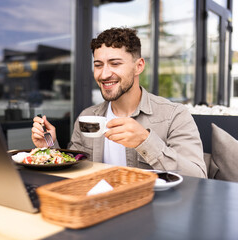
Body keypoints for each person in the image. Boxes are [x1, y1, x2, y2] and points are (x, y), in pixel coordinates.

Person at [31, 27, 207, 178]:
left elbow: (198, 176)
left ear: (139, 66)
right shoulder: (87, 117)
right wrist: (49, 147)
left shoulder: (174, 115)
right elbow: (76, 168)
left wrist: (145, 141)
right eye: (98, 65)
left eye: (115, 63)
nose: (104, 74)